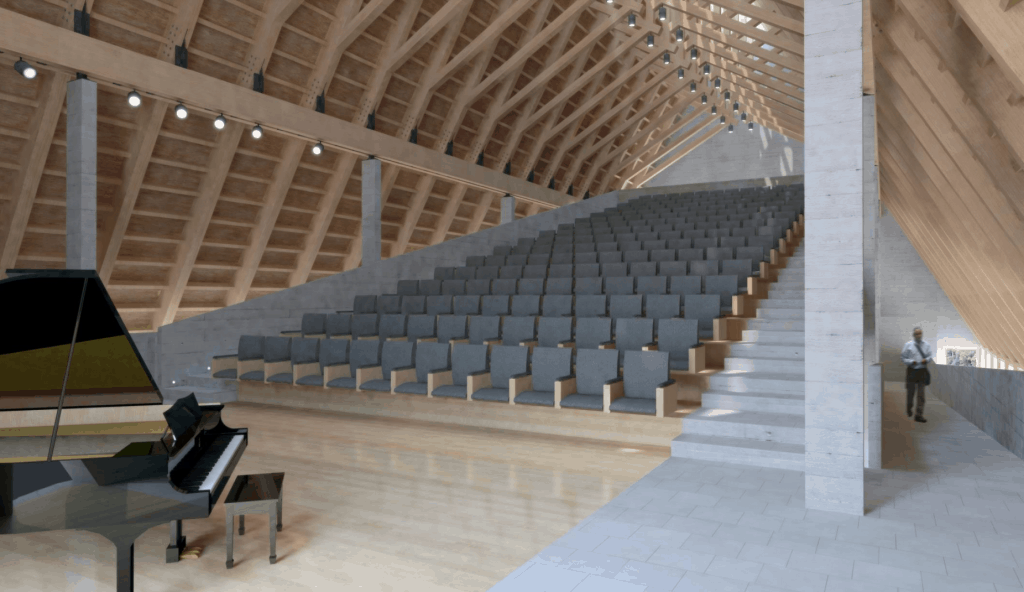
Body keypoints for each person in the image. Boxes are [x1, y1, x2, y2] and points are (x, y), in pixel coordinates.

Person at [901, 327, 933, 423]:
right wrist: (911, 361)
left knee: (921, 395)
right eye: (917, 334)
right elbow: (903, 357)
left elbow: (930, 356)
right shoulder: (908, 345)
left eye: (920, 334)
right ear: (913, 335)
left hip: (922, 371)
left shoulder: (926, 345)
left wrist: (926, 360)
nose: (919, 335)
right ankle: (909, 409)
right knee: (910, 393)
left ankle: (919, 415)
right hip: (912, 370)